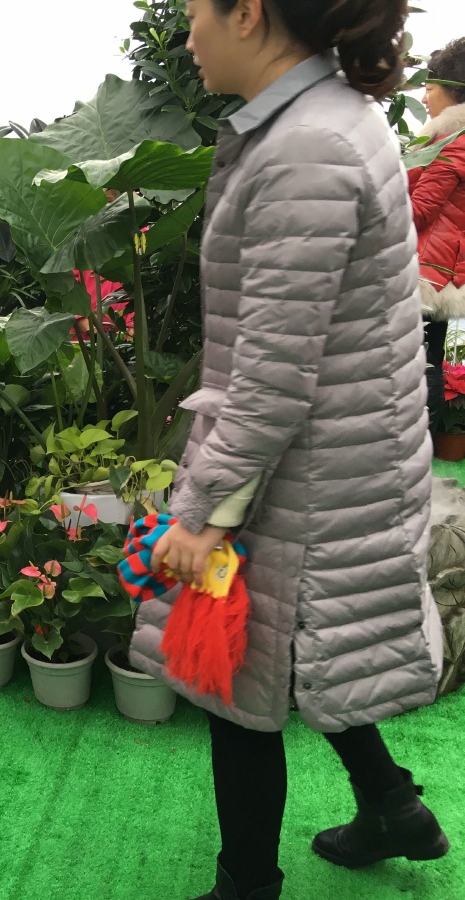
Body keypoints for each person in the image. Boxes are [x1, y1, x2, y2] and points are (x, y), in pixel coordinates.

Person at [128, 3, 450, 899]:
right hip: (338, 457)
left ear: (248, 13)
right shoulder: (330, 119)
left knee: (234, 676)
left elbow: (271, 380)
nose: (188, 33)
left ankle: (246, 886)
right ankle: (393, 806)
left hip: (306, 472)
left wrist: (202, 514)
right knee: (303, 647)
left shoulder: (306, 148)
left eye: (197, 10)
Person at [408, 37, 465, 433]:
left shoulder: (449, 143)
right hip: (444, 271)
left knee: (415, 363)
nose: (424, 98)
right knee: (425, 360)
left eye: (429, 88)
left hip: (427, 272)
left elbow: (418, 210)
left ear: (453, 92)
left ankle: (416, 446)